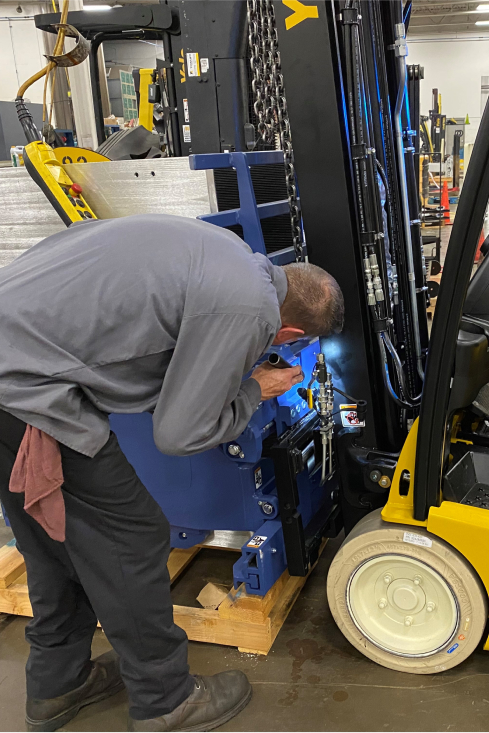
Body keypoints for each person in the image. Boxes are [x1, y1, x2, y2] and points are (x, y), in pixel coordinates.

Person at [0, 214, 344, 732]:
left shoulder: (228, 255)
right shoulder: (248, 308)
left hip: (13, 361)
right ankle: (167, 701)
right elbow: (178, 435)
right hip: (28, 391)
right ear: (290, 330)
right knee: (134, 539)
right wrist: (255, 389)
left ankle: (58, 686)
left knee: (56, 543)